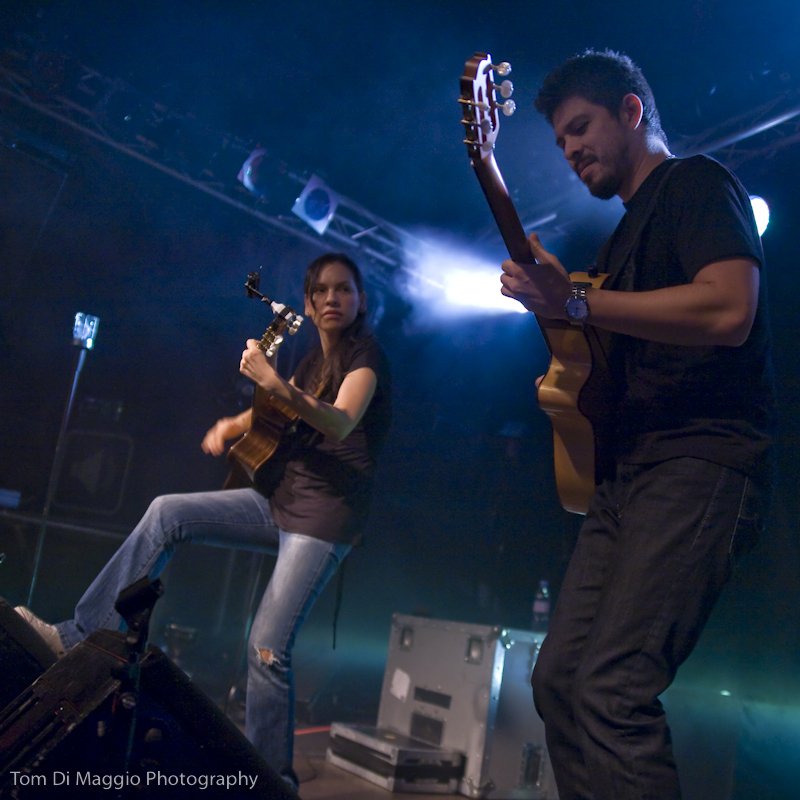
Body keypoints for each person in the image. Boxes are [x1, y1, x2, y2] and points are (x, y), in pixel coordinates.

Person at [499, 50, 774, 800]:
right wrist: (562, 347)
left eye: (580, 127)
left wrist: (575, 302)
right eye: (560, 140)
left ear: (631, 110)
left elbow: (729, 309)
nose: (570, 149)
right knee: (559, 682)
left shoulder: (696, 184)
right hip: (625, 479)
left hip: (699, 463)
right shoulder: (618, 245)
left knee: (613, 690)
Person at [16, 252, 392, 792]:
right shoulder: (313, 361)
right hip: (282, 501)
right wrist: (234, 422)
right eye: (322, 291)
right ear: (308, 306)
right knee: (167, 512)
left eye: (345, 289)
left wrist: (272, 380)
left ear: (361, 300)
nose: (333, 298)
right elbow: (278, 409)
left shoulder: (365, 357)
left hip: (323, 519)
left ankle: (273, 782)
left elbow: (339, 421)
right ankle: (78, 636)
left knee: (266, 647)